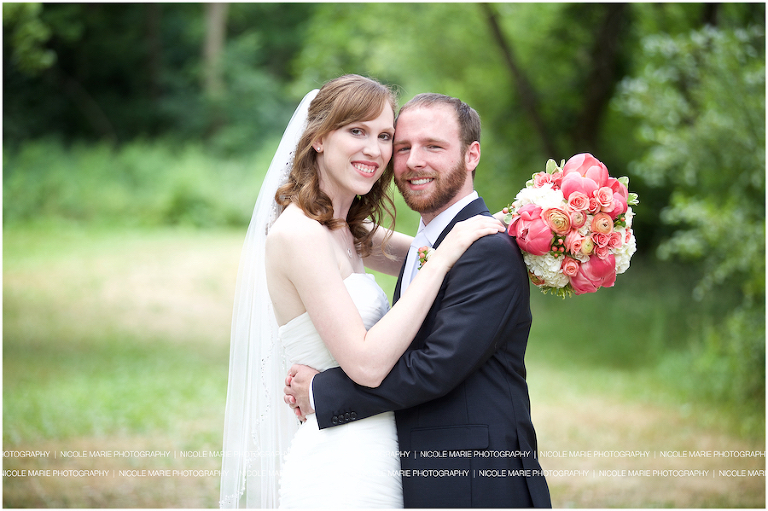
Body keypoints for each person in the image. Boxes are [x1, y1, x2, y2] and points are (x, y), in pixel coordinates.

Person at [219, 75, 504, 508]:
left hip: (376, 446)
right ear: (318, 138)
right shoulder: (300, 235)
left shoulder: (347, 232)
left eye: (385, 136)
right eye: (357, 131)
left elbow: (441, 249)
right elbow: (367, 365)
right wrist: (444, 258)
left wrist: (532, 226)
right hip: (341, 463)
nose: (375, 150)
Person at [285, 93, 552, 508]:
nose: (414, 161)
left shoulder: (487, 249)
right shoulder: (428, 244)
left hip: (474, 482)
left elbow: (434, 367)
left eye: (433, 146)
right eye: (403, 147)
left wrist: (323, 392)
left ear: (472, 155)